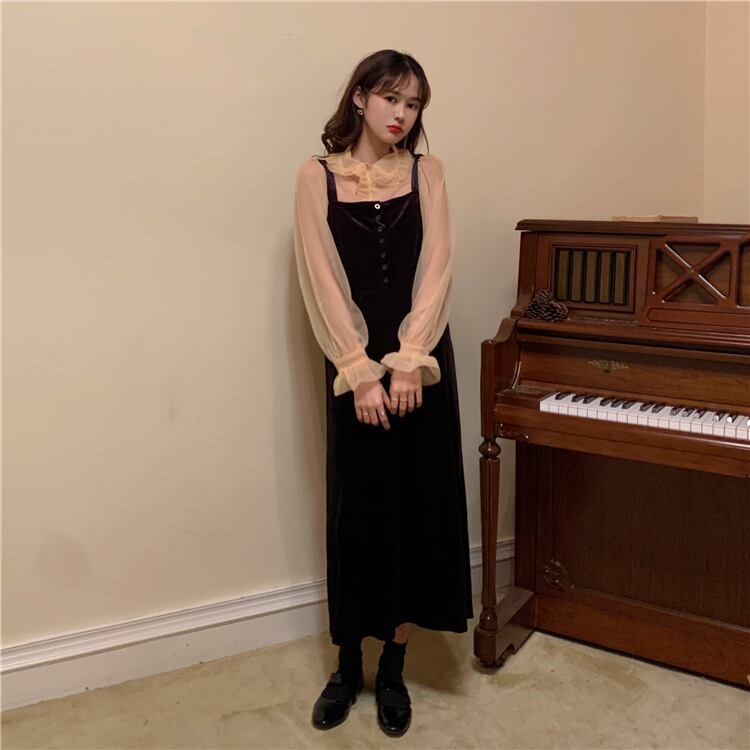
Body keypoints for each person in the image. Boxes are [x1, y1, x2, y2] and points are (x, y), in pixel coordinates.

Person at [292, 49, 473, 737]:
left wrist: (409, 361)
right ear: (361, 97)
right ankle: (347, 668)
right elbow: (320, 276)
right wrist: (361, 369)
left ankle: (394, 668)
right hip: (353, 370)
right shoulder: (315, 177)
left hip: (421, 366)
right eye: (392, 97)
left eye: (414, 103)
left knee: (415, 511)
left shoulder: (429, 173)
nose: (402, 113)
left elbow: (438, 268)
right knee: (357, 512)